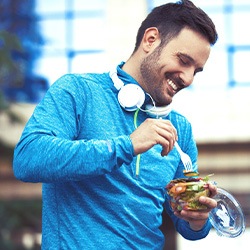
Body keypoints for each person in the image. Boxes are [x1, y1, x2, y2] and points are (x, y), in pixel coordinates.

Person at [13, 0, 218, 249]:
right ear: (150, 40)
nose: (187, 78)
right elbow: (27, 159)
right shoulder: (78, 92)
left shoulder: (180, 130)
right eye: (183, 61)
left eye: (196, 71)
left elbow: (188, 227)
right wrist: (126, 146)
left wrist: (197, 220)